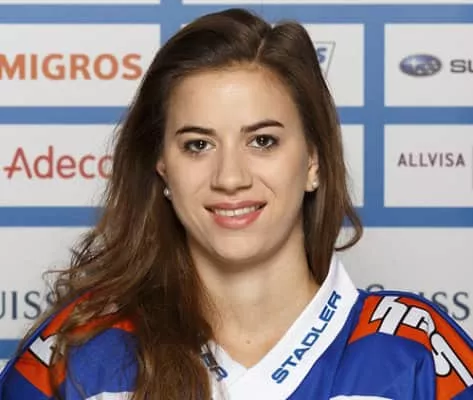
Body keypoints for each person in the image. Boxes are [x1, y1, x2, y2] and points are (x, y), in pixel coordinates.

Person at [0, 7, 472, 400]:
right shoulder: (80, 348)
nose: (230, 178)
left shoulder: (416, 352)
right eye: (198, 145)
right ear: (162, 168)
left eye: (262, 141)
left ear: (313, 160)